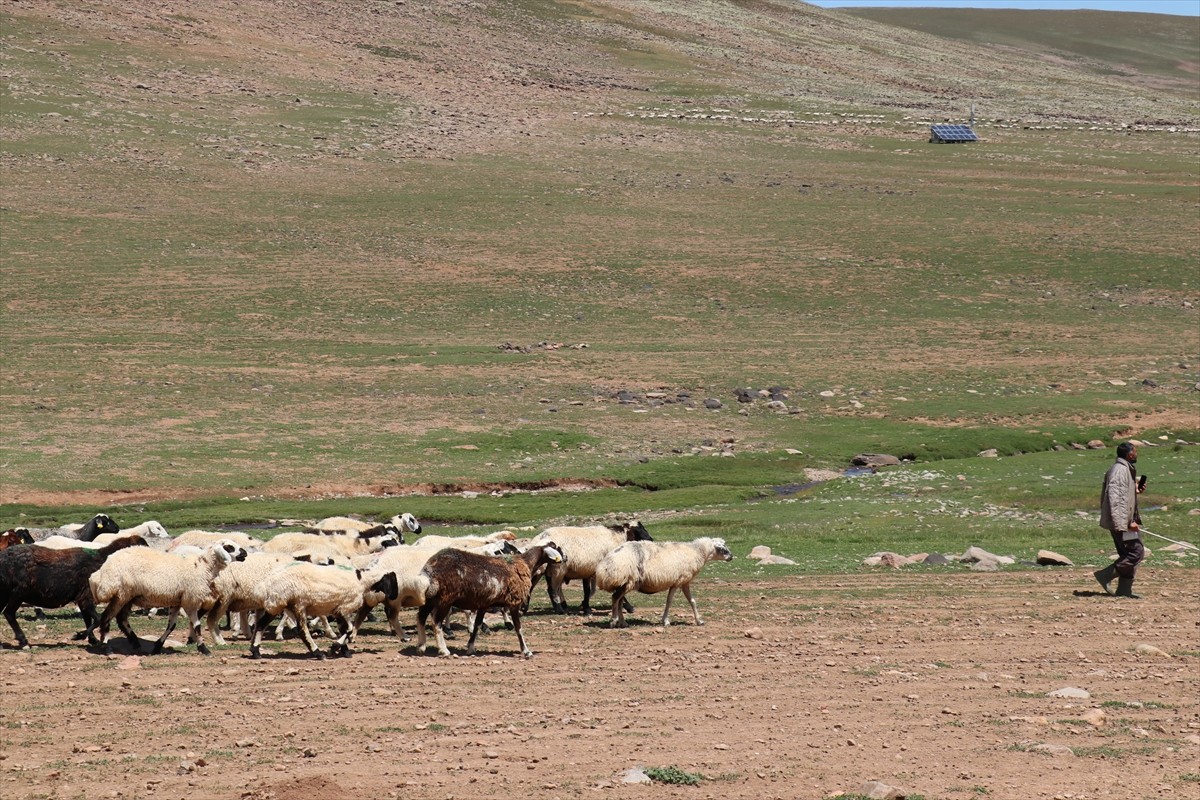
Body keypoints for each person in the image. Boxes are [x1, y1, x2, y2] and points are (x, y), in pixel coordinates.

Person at [1094, 441, 1146, 599]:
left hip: (1124, 522)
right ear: (1129, 454)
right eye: (1135, 451)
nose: (1136, 454)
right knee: (1136, 552)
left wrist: (1135, 491)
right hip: (1122, 523)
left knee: (1129, 552)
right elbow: (1115, 500)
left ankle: (1124, 589)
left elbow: (1124, 496)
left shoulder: (1124, 469)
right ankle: (1105, 575)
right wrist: (1124, 524)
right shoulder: (1119, 471)